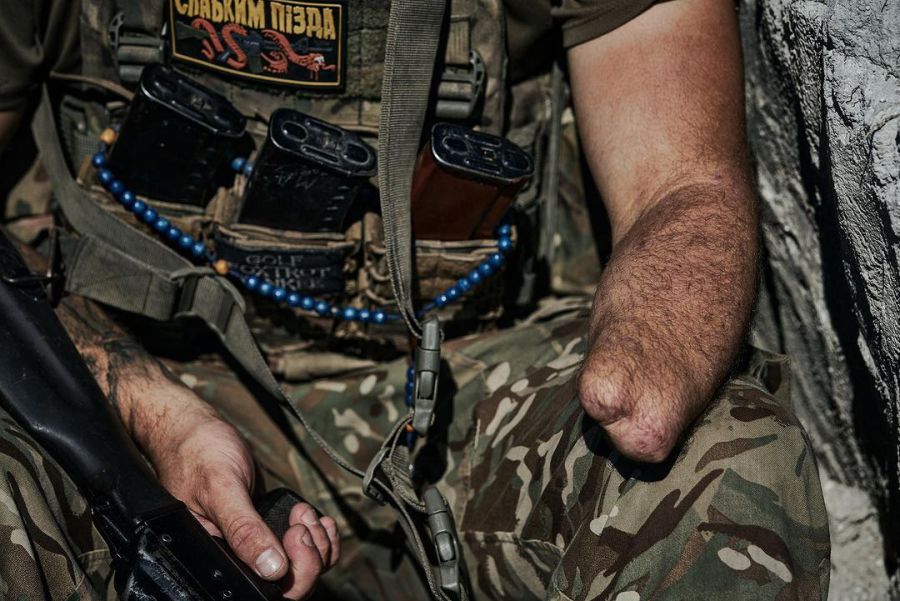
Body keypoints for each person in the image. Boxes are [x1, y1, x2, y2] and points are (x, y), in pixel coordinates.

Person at [0, 0, 830, 599]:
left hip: (461, 387)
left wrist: (637, 387)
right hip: (128, 374)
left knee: (728, 460)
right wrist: (149, 412)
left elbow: (681, 184)